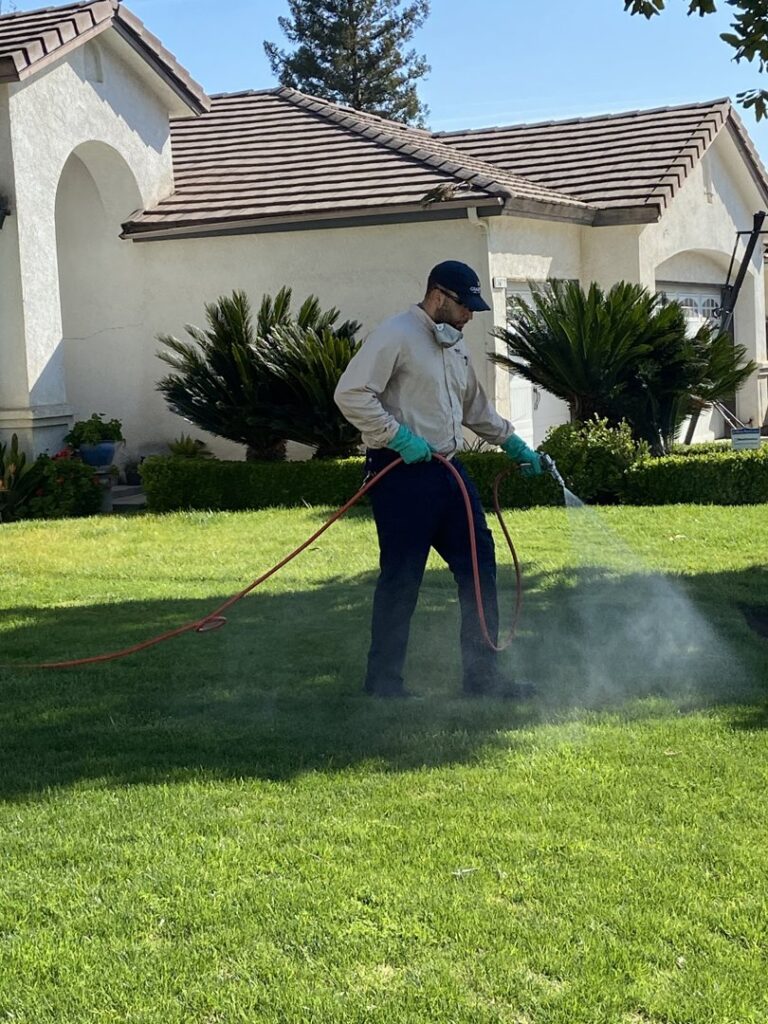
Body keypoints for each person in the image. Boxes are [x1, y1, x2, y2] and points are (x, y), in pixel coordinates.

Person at [334, 260, 542, 699]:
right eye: (465, 305)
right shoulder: (395, 336)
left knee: (481, 569)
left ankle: (483, 680)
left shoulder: (454, 345)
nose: (470, 315)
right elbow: (351, 394)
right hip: (401, 475)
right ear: (438, 296)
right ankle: (384, 684)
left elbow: (474, 409)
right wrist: (397, 437)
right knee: (401, 580)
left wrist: (514, 444)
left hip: (450, 473)